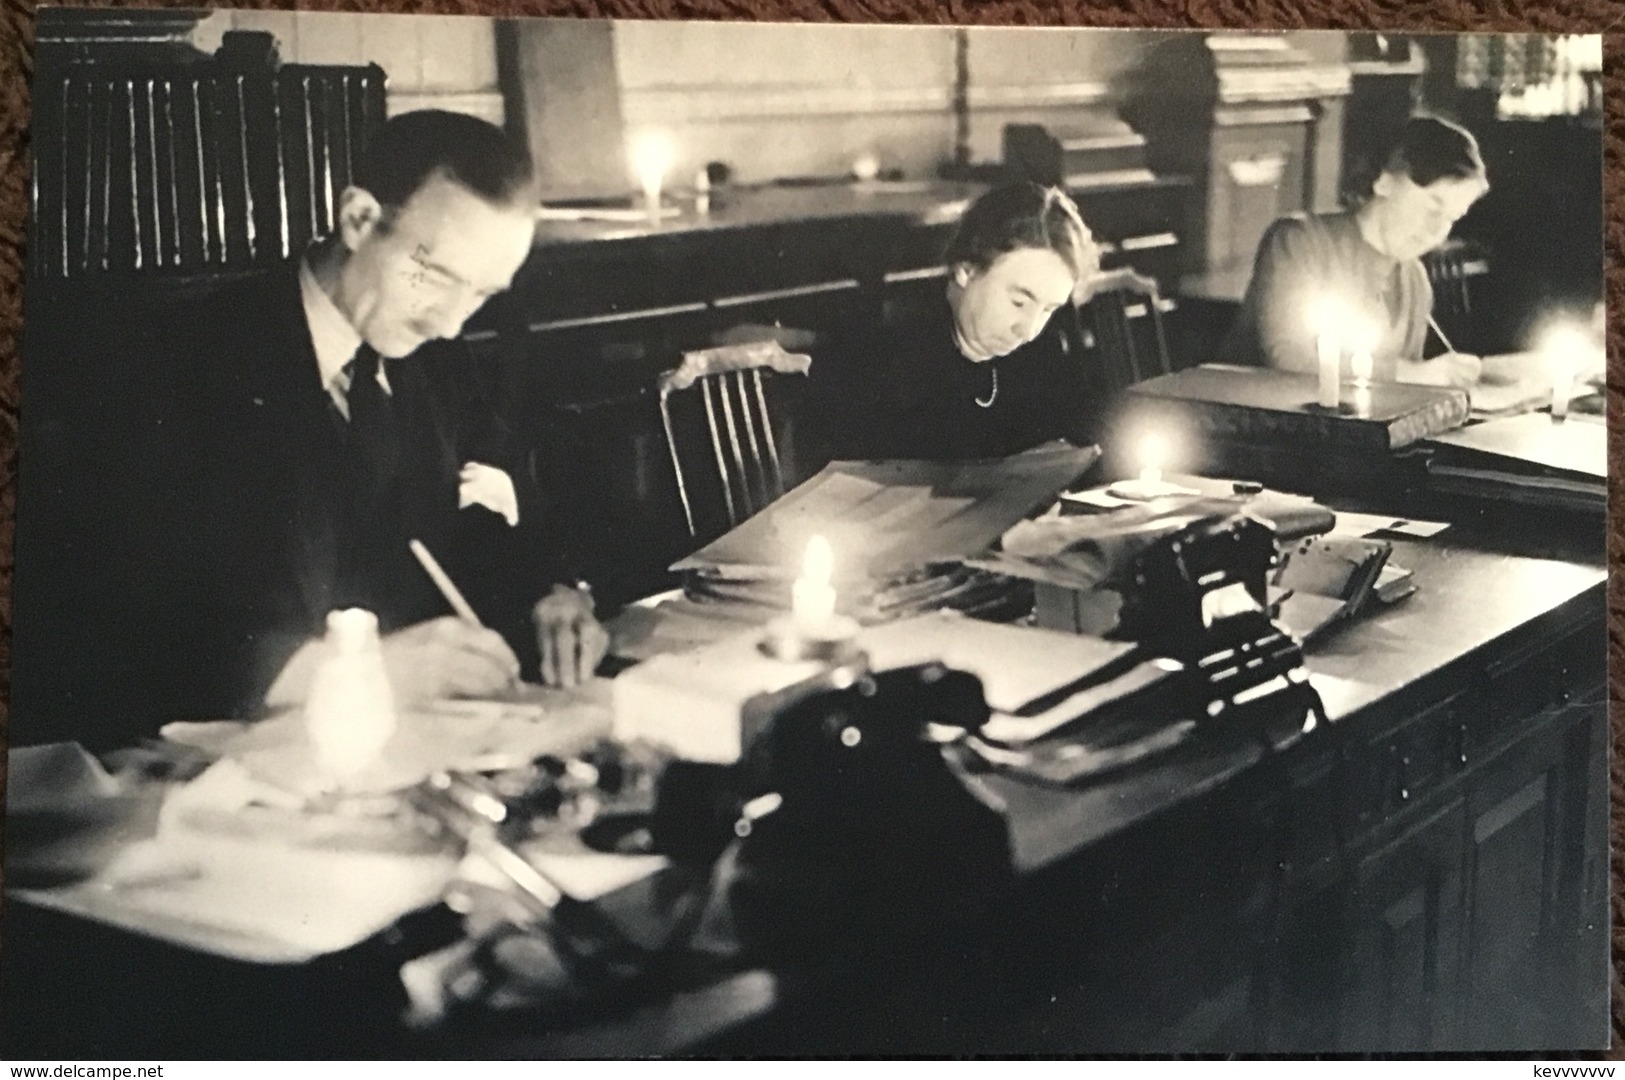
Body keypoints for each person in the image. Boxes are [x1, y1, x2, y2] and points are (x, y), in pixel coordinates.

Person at [28, 110, 608, 745]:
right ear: (358, 219)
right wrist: (351, 672)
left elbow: (444, 531)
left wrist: (549, 594)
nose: (450, 322)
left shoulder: (430, 357)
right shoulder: (182, 361)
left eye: (482, 294)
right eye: (434, 276)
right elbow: (112, 629)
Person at [807, 182, 1106, 463]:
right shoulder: (886, 361)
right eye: (1018, 302)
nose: (1028, 331)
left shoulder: (1042, 352)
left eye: (1048, 309)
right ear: (966, 270)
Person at [1223, 115, 1490, 387]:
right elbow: (1288, 358)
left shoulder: (1415, 280)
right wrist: (1411, 374)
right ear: (1384, 181)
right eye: (1433, 206)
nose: (1438, 229)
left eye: (1452, 218)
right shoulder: (1300, 242)